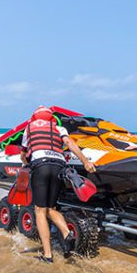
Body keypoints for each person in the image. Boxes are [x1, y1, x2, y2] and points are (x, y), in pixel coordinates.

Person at [21, 106, 96, 263]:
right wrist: (85, 161)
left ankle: (47, 255)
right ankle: (67, 233)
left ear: (35, 118)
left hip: (41, 165)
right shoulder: (59, 127)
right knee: (51, 208)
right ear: (51, 118)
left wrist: (25, 162)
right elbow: (70, 143)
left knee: (40, 210)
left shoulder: (29, 128)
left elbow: (23, 153)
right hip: (59, 166)